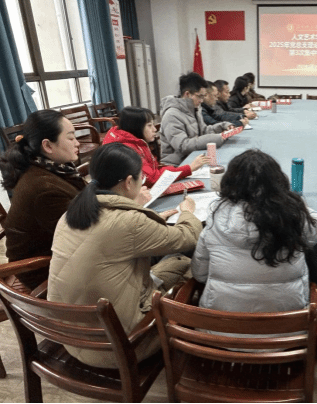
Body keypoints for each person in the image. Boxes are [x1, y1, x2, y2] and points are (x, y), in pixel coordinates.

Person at [47, 143, 203, 368]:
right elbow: (187, 237)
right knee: (191, 268)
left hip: (72, 338)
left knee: (174, 264)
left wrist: (151, 219)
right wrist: (187, 213)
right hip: (122, 346)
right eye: (142, 178)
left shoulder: (72, 213)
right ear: (129, 182)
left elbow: (115, 235)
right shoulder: (129, 222)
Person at [191, 149, 317, 313]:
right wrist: (294, 205)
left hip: (221, 323)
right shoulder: (294, 219)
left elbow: (200, 275)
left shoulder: (215, 220)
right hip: (288, 324)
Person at [0, 110, 86, 289]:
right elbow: (84, 236)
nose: (77, 143)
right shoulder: (45, 189)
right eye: (71, 138)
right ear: (47, 146)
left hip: (51, 251)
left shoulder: (52, 167)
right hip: (41, 271)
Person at [102, 107, 209, 187]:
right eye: (149, 125)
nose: (154, 129)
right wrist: (189, 168)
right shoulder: (127, 149)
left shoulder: (135, 142)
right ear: (136, 128)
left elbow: (154, 170)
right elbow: (152, 179)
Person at [159, 72, 231, 165]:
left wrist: (222, 127)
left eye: (203, 96)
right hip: (177, 164)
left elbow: (203, 131)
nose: (201, 100)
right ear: (187, 94)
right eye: (199, 96)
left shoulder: (194, 108)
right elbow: (183, 146)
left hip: (194, 158)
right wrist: (214, 139)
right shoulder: (171, 115)